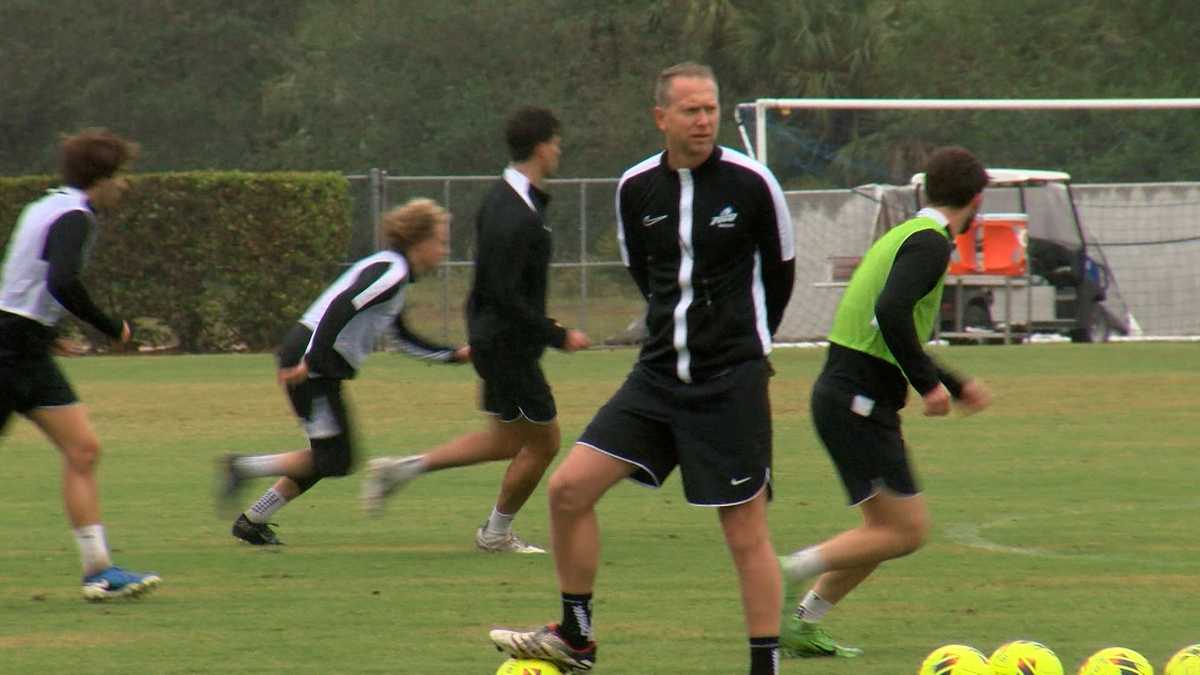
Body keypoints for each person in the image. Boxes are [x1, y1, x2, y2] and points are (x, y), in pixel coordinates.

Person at [489, 63, 796, 674]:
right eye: (690, 110)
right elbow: (646, 275)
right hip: (656, 379)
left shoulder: (753, 183)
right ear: (662, 118)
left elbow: (780, 274)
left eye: (710, 108)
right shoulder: (635, 188)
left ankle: (766, 666)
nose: (703, 119)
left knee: (744, 532)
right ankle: (577, 639)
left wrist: (743, 348)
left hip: (730, 384)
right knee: (568, 489)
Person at [777, 146, 993, 659]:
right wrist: (930, 386)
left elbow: (890, 331)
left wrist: (956, 385)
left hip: (848, 393)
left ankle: (804, 625)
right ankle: (782, 574)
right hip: (857, 398)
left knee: (884, 531)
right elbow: (891, 312)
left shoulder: (903, 234)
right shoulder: (931, 244)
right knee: (906, 530)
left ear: (924, 190)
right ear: (977, 201)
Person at [360, 106, 589, 554]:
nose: (559, 151)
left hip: (497, 341)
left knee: (505, 440)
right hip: (508, 347)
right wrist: (555, 334)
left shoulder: (510, 200)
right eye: (557, 144)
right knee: (545, 443)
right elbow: (503, 293)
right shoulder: (512, 210)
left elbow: (494, 288)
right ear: (543, 147)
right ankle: (495, 534)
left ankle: (400, 470)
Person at [216, 197, 467, 545]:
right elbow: (342, 305)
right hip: (311, 366)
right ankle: (243, 468)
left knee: (331, 456)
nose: (444, 250)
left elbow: (401, 337)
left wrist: (453, 355)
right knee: (335, 457)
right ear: (418, 241)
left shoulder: (392, 272)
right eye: (441, 242)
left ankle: (253, 518)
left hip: (316, 366)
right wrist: (312, 362)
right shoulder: (391, 271)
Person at [0, 128, 161, 601]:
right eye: (121, 176)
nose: (125, 186)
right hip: (9, 349)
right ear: (103, 177)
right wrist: (113, 328)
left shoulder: (45, 205)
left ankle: (99, 571)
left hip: (25, 347)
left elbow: (22, 284)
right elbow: (62, 282)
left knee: (83, 449)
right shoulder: (75, 215)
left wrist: (47, 336)